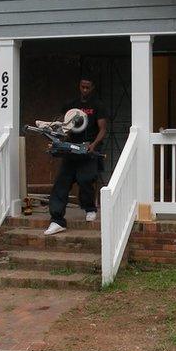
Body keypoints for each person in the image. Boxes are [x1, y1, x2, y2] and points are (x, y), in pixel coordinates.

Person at [44, 77, 108, 235]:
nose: (84, 90)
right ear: (79, 86)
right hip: (70, 150)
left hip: (88, 150)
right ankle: (57, 220)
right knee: (61, 183)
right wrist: (56, 140)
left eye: (88, 87)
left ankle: (90, 208)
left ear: (92, 87)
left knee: (86, 180)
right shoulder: (71, 105)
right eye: (82, 86)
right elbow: (62, 126)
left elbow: (103, 129)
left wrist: (93, 145)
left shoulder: (98, 106)